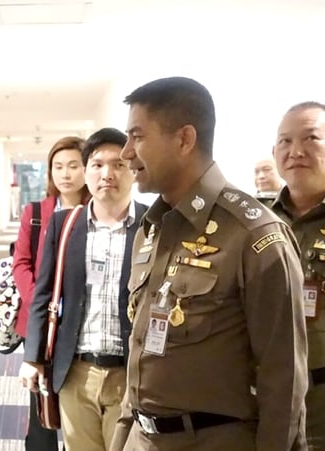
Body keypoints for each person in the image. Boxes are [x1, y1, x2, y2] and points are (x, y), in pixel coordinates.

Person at [111, 76, 307, 450]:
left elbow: (283, 381)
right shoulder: (151, 229)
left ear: (184, 140)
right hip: (141, 439)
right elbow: (144, 349)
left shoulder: (254, 235)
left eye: (137, 136)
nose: (126, 153)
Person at [19, 127, 146, 451]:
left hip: (131, 376)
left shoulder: (154, 225)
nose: (108, 174)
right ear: (87, 172)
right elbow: (44, 293)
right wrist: (33, 357)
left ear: (133, 169)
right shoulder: (64, 224)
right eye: (98, 164)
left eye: (118, 164)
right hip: (76, 372)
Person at [12, 136, 89, 450]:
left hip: (82, 322)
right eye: (58, 167)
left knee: (76, 393)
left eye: (73, 165)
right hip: (41, 322)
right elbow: (22, 263)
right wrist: (43, 305)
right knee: (41, 398)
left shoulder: (94, 213)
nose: (65, 174)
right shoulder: (36, 212)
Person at [271, 101, 325, 449]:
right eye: (285, 142)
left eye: (311, 139)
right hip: (268, 409)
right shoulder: (255, 224)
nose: (296, 152)